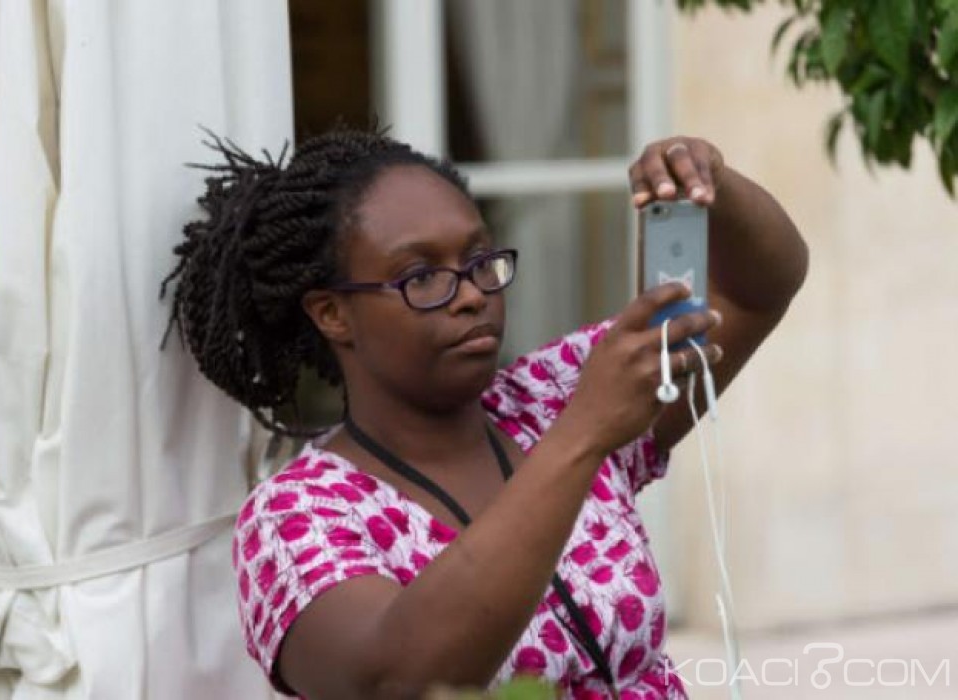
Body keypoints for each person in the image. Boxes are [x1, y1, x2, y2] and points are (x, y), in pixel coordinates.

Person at [160, 127, 807, 699]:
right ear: (332, 313)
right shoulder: (295, 518)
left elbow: (758, 288)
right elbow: (397, 679)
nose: (470, 294)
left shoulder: (549, 394)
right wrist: (581, 435)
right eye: (421, 277)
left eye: (479, 260)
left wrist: (712, 183)